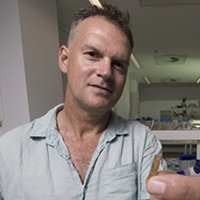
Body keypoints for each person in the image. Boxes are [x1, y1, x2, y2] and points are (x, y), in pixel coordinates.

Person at [0, 3, 165, 200]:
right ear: (64, 59)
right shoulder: (8, 150)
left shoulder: (142, 143)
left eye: (118, 64)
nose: (106, 72)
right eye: (92, 54)